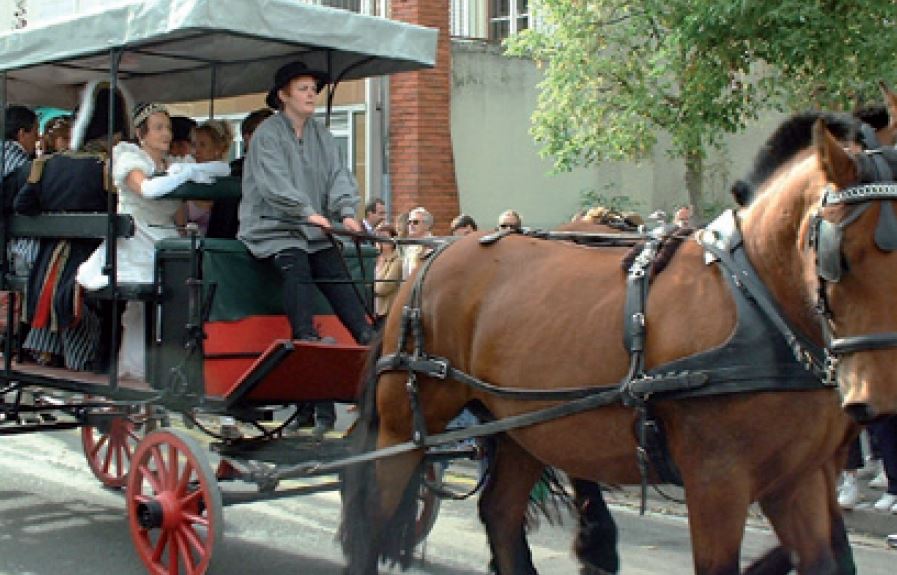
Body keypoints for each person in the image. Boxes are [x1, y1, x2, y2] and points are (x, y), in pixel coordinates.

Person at [238, 60, 375, 439]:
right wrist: (307, 212)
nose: (311, 93)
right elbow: (273, 185)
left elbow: (338, 176)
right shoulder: (267, 135)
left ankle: (367, 338)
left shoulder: (322, 135)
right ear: (283, 95)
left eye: (313, 87)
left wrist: (347, 212)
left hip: (312, 228)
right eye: (303, 88)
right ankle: (304, 338)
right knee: (295, 263)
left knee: (337, 269)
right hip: (273, 227)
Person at [76, 102, 228, 378]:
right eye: (158, 128)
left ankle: (161, 369)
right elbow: (146, 189)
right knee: (143, 306)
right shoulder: (130, 158)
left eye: (167, 127)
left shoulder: (173, 164)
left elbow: (220, 172)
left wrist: (188, 174)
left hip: (166, 237)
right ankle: (140, 369)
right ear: (141, 133)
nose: (165, 134)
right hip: (137, 237)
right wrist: (181, 176)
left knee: (172, 301)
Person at [14, 84, 126, 371]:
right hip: (89, 263)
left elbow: (23, 205)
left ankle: (49, 355)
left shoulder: (48, 164)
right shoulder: (105, 166)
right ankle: (89, 363)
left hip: (45, 265)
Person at [180, 119, 233, 235]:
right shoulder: (188, 178)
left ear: (218, 149)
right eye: (194, 145)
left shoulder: (228, 184)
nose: (195, 151)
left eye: (202, 145)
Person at [373, 222, 401, 327]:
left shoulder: (397, 261)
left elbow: (383, 288)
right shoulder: (376, 259)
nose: (379, 241)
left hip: (388, 312)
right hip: (376, 312)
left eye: (383, 238)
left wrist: (372, 287)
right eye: (377, 237)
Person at [402, 206, 434, 279]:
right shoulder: (410, 247)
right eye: (409, 222)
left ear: (427, 225)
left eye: (415, 222)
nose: (411, 225)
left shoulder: (434, 246)